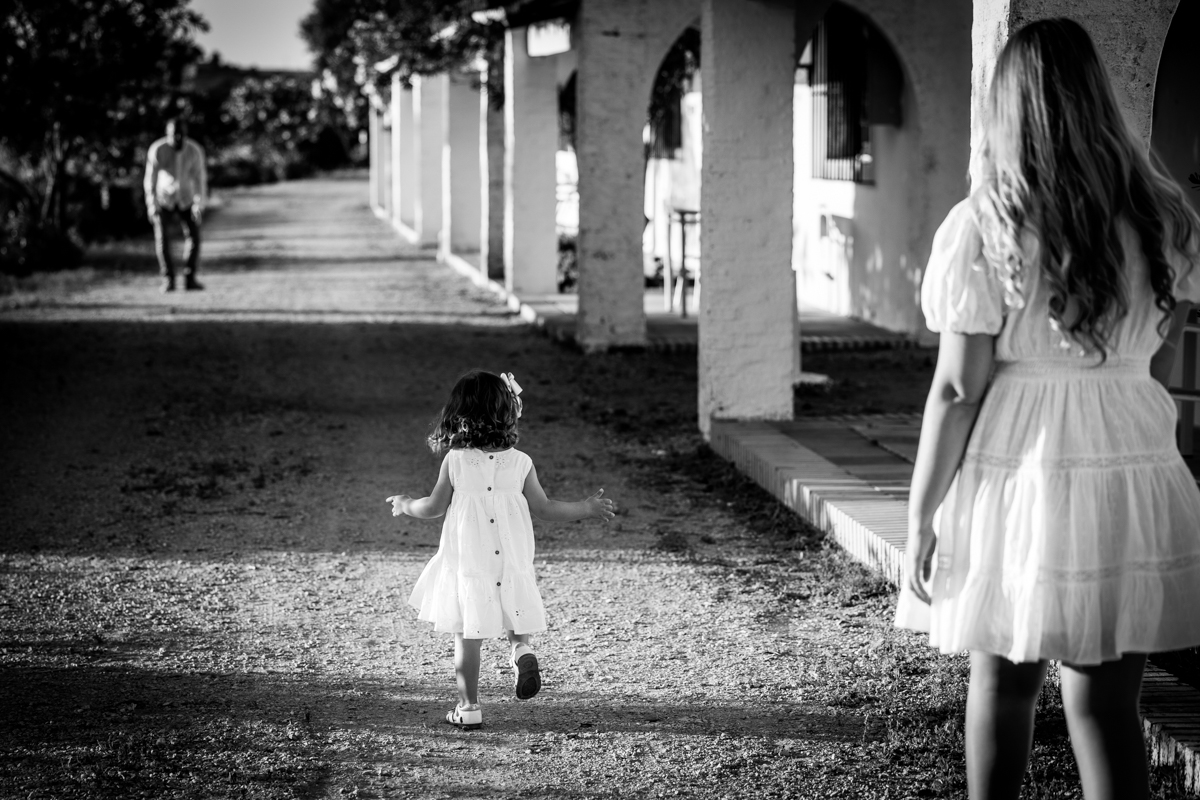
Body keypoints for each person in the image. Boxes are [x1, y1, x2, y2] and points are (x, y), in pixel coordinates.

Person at [894, 18, 1200, 800]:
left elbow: (958, 389)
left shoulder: (988, 224)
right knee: (1106, 706)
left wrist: (921, 514)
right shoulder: (1163, 219)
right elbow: (1159, 362)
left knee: (1004, 687)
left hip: (1019, 468)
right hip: (1128, 456)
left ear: (1008, 107)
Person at [388, 370, 616, 731]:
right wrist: (585, 508)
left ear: (460, 415)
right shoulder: (521, 462)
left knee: (468, 634)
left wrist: (405, 504)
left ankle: (469, 707)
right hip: (512, 557)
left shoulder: (457, 461)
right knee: (515, 608)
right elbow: (545, 508)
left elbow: (432, 507)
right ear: (509, 412)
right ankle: (521, 649)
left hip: (470, 561)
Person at [144, 117, 207, 292]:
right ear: (167, 134)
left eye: (181, 134)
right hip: (164, 199)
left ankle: (190, 278)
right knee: (162, 239)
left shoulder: (194, 150)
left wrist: (199, 204)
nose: (177, 138)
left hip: (187, 199)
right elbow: (150, 179)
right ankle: (168, 279)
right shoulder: (158, 149)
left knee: (194, 237)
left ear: (185, 134)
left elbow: (200, 179)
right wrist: (151, 204)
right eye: (174, 134)